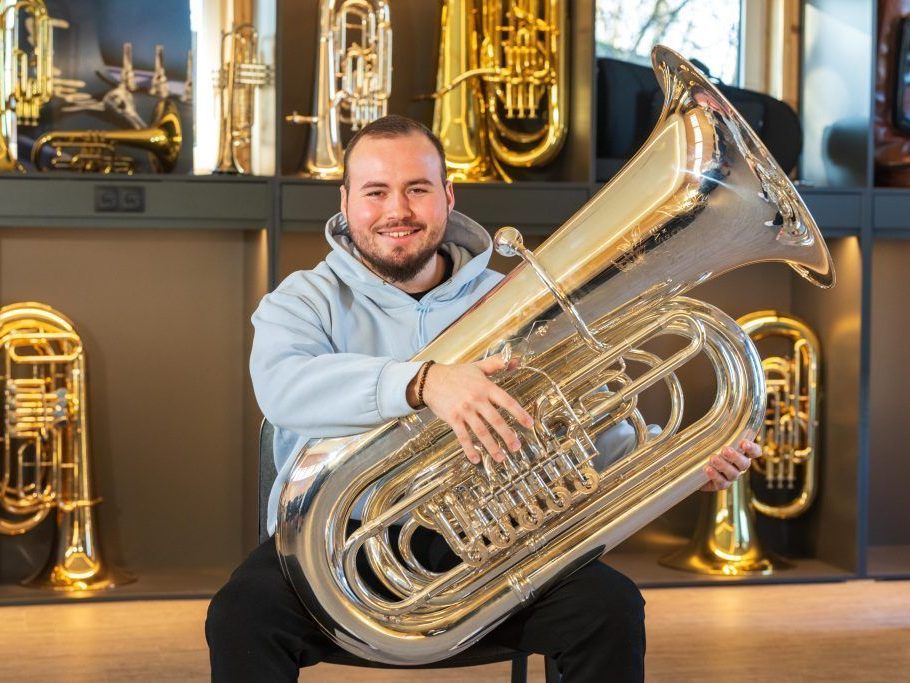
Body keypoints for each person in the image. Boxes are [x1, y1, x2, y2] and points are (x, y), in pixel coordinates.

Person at [205, 114, 761, 682]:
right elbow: (283, 387)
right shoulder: (302, 299)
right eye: (375, 192)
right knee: (240, 616)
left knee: (608, 610)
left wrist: (683, 464)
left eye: (417, 189)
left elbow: (588, 425)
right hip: (337, 543)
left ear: (447, 197)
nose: (397, 210)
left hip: (496, 540)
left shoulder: (517, 300)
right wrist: (424, 383)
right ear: (345, 202)